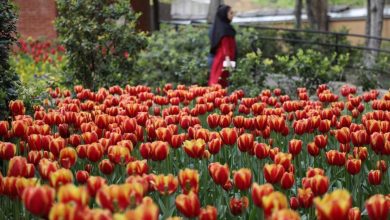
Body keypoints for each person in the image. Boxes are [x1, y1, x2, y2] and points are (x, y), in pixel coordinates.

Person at [208, 4, 236, 88]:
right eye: (231, 13)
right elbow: (225, 45)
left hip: (225, 59)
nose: (232, 15)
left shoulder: (225, 27)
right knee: (219, 81)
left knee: (223, 81)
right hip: (223, 59)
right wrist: (227, 58)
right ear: (225, 14)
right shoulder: (224, 29)